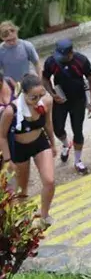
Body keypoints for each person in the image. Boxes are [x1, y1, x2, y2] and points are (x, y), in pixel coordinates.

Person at [0, 74, 57, 228]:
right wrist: (7, 159)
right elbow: (2, 136)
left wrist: (52, 143)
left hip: (39, 142)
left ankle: (44, 216)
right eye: (33, 97)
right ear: (23, 93)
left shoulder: (46, 102)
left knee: (50, 181)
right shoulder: (11, 111)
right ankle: (23, 220)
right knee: (22, 189)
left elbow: (48, 124)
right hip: (19, 148)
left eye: (41, 95)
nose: (38, 99)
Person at [42, 39, 91, 174]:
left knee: (78, 130)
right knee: (58, 129)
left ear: (71, 53)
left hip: (78, 101)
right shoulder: (51, 61)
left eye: (63, 56)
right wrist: (52, 93)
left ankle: (78, 161)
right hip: (60, 100)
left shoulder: (81, 61)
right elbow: (45, 79)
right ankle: (66, 144)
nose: (60, 59)